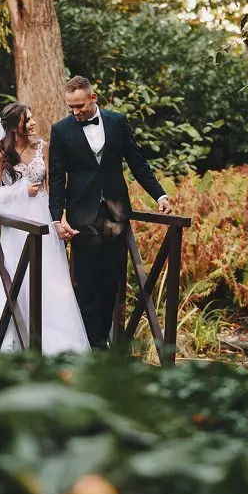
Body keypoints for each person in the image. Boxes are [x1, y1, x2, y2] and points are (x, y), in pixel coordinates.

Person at [48, 76, 172, 350]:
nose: (76, 112)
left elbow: (137, 162)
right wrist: (56, 218)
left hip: (116, 214)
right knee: (86, 283)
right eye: (71, 107)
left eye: (80, 106)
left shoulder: (117, 122)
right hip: (82, 215)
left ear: (93, 98)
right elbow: (56, 177)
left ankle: (100, 338)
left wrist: (160, 194)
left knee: (111, 281)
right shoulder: (60, 130)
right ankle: (92, 344)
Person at [0, 102, 90, 356]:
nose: (31, 123)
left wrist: (59, 219)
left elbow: (53, 190)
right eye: (25, 120)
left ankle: (58, 342)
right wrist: (20, 190)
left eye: (31, 118)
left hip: (41, 219)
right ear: (13, 128)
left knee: (50, 277)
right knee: (15, 277)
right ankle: (13, 338)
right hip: (16, 223)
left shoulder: (43, 147)